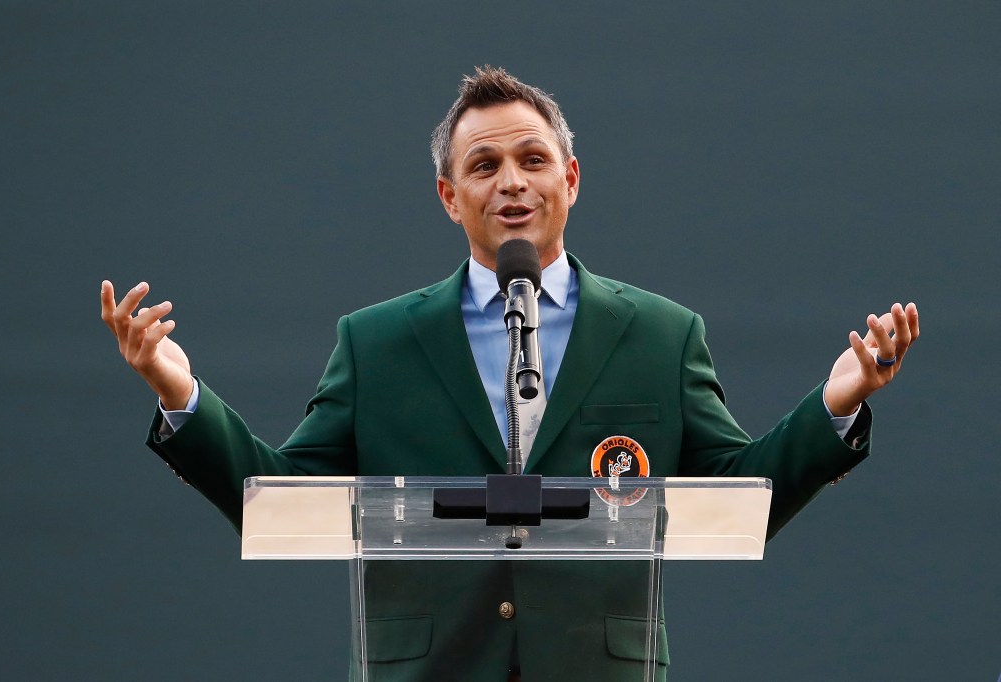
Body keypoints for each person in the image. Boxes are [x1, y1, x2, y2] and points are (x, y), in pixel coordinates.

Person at [101, 66, 918, 681]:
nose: (512, 181)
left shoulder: (661, 335)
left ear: (571, 178)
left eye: (533, 158)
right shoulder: (379, 341)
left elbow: (739, 501)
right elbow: (280, 502)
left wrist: (836, 403)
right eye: (484, 166)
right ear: (449, 197)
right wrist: (181, 396)